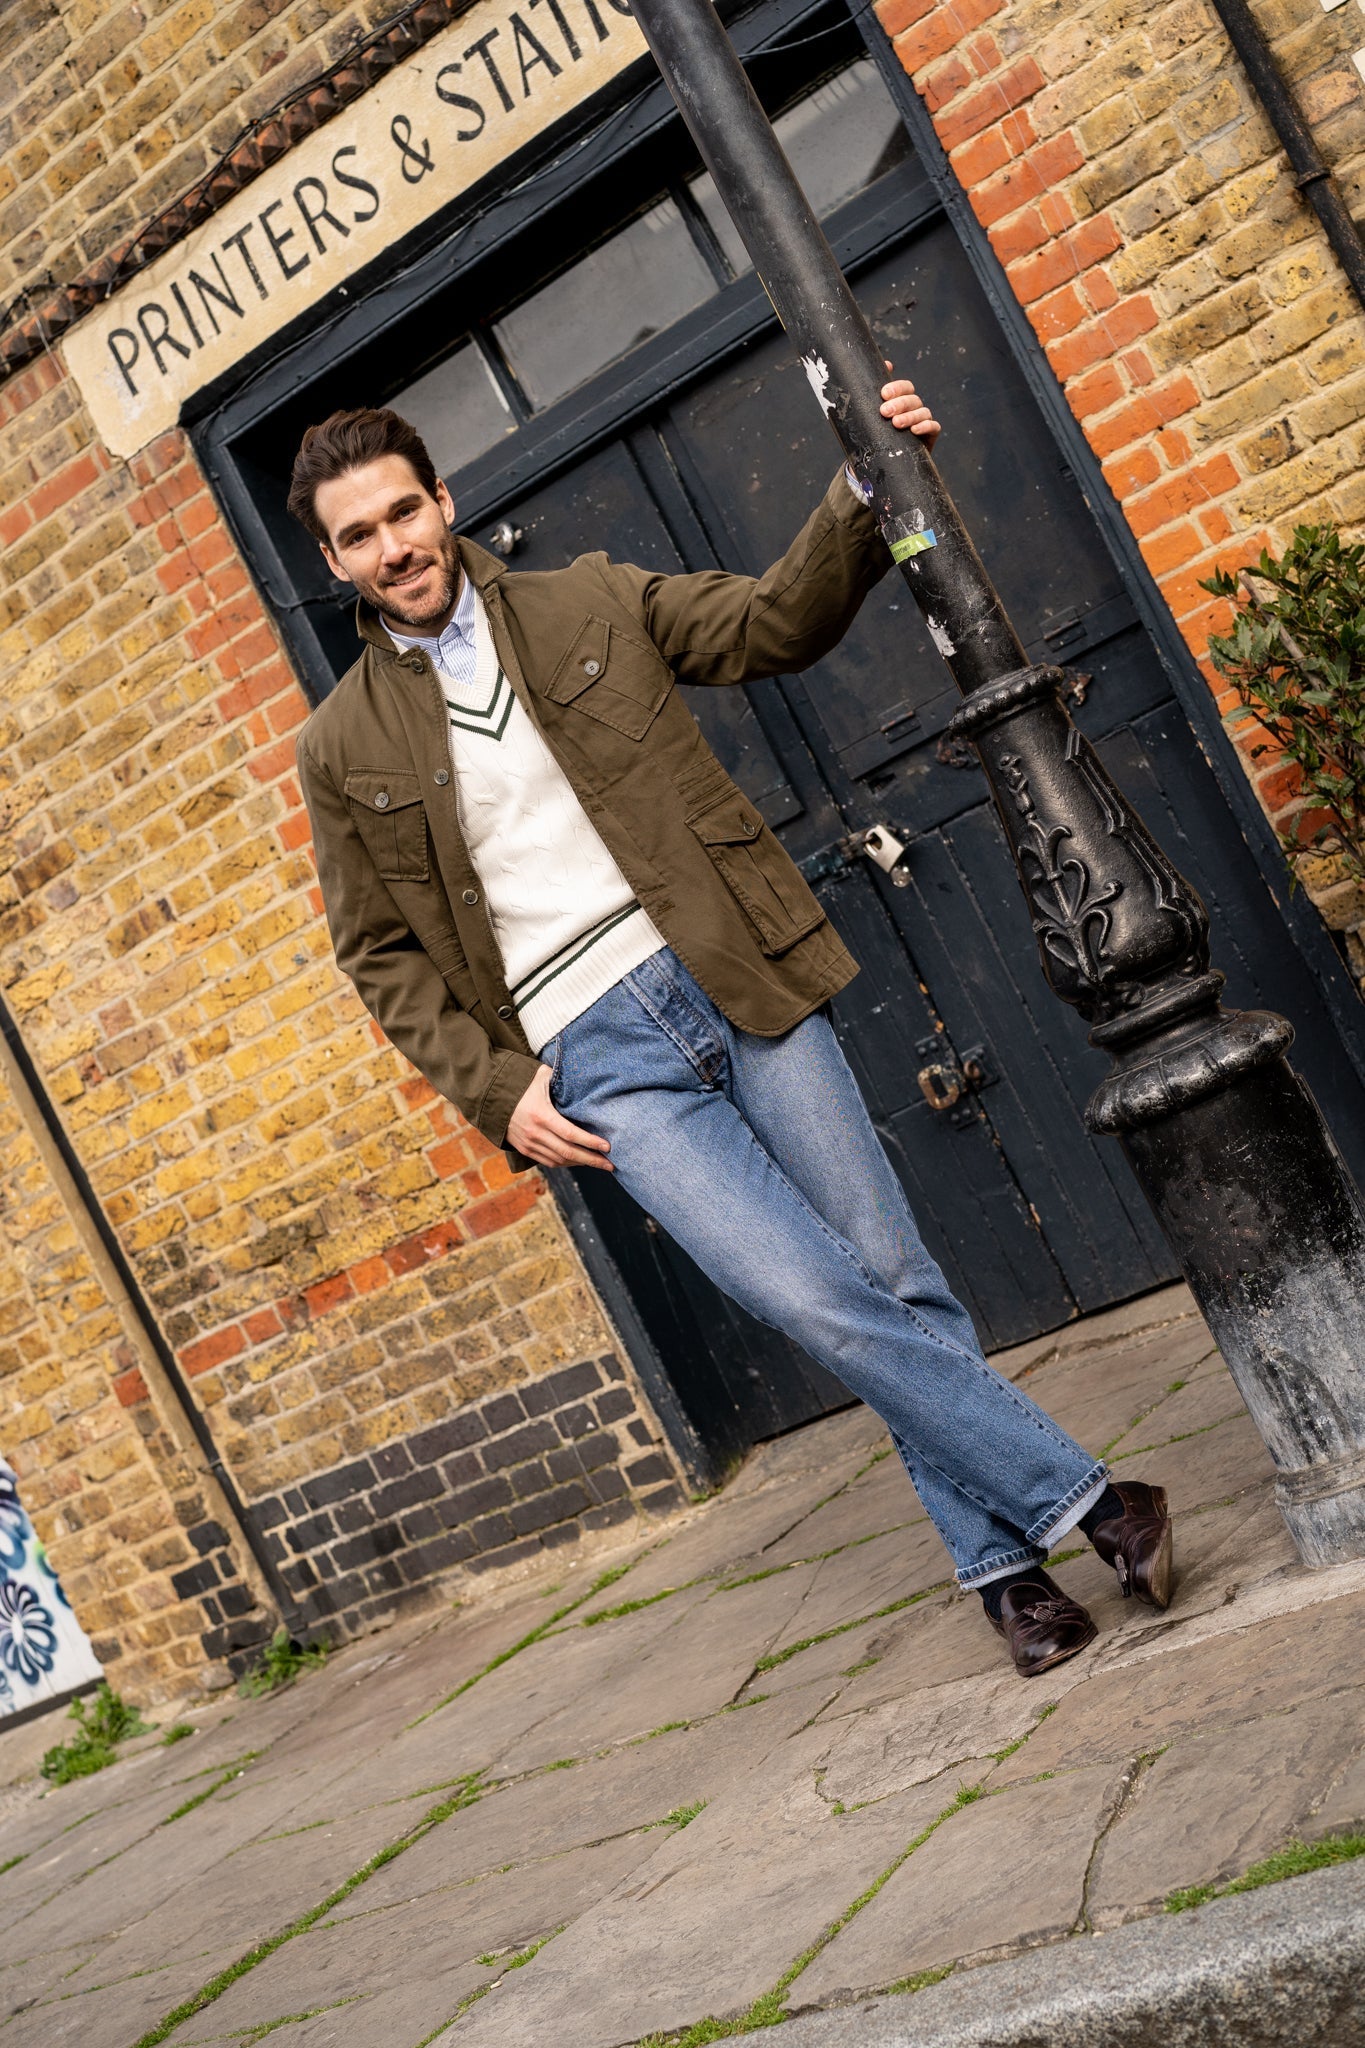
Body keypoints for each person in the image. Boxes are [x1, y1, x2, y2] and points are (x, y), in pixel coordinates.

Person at [290, 389, 1175, 1678]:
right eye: (358, 536)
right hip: (597, 1061)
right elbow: (377, 950)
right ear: (334, 564)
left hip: (731, 971)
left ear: (444, 503)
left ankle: (1004, 1579)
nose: (392, 550)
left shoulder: (590, 598)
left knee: (893, 1273)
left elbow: (774, 622)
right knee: (809, 1296)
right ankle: (1093, 1501)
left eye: (402, 513)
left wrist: (864, 481)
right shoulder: (340, 743)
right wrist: (491, 1088)